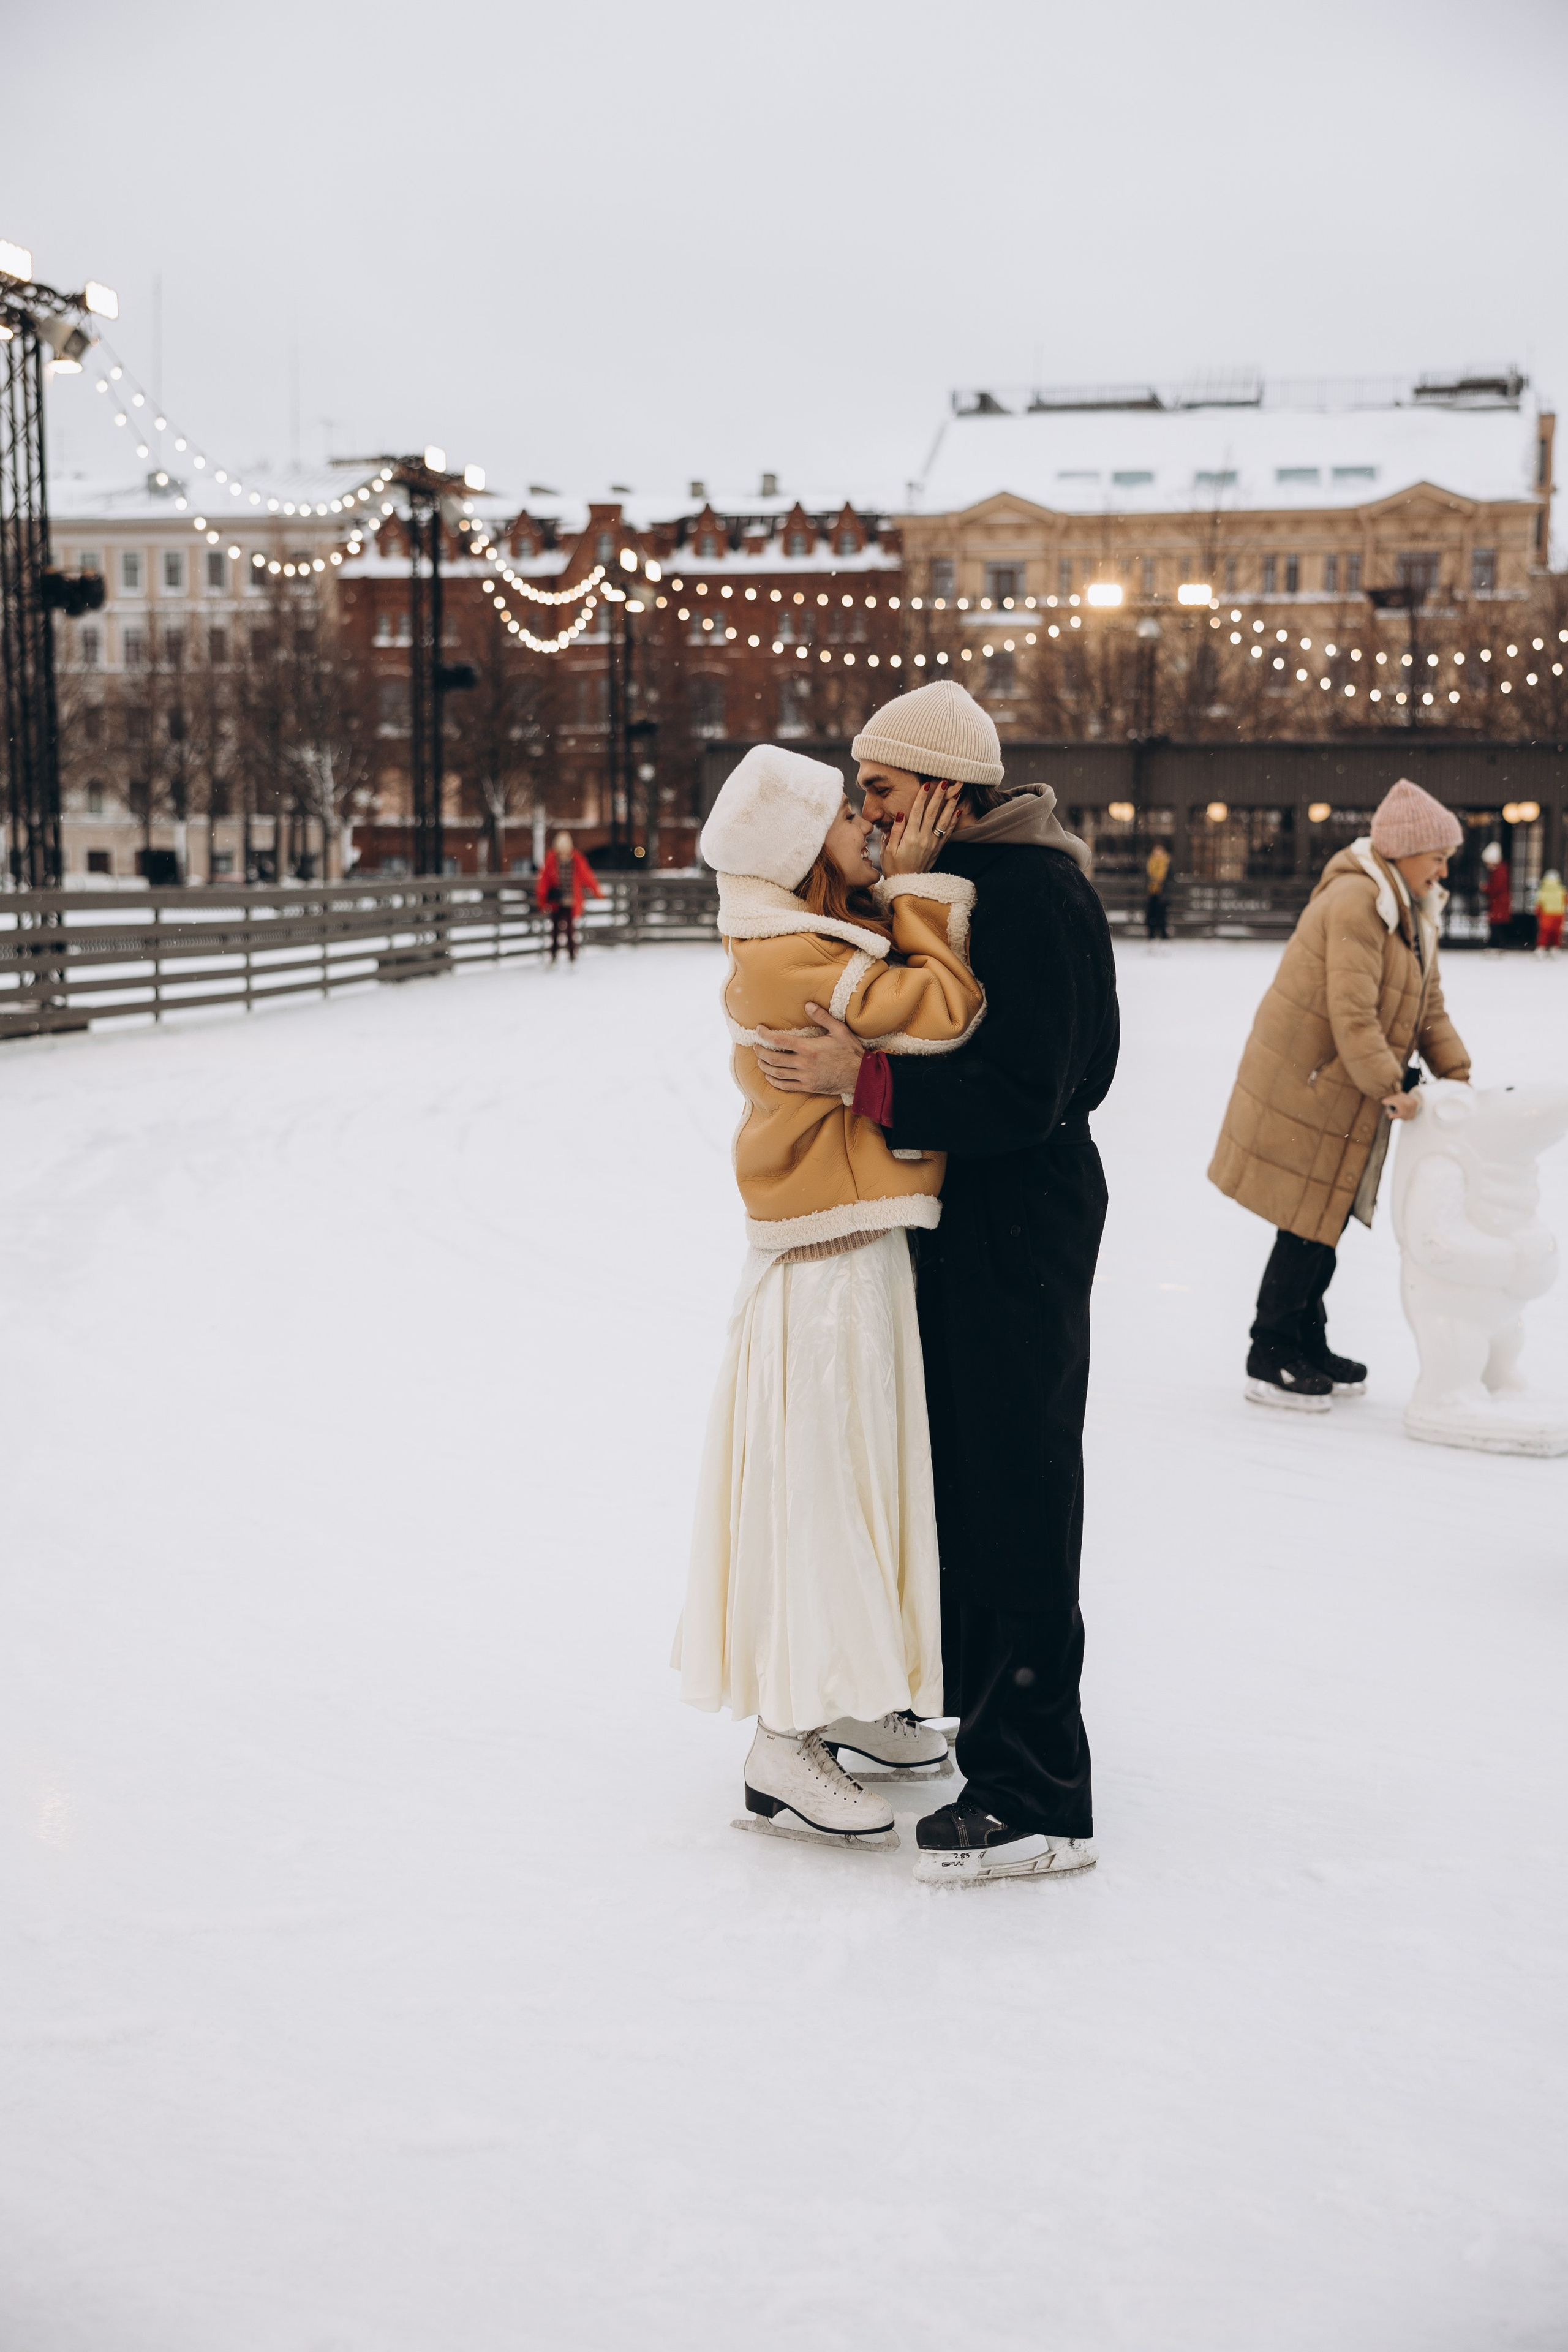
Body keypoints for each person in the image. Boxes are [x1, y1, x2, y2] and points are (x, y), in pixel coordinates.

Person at [753, 682, 1119, 1887]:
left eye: (882, 791)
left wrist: (866, 1085)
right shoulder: (964, 885)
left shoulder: (1027, 888)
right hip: (972, 1224)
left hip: (1020, 1221)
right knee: (965, 1481)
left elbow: (1038, 1087)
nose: (870, 812)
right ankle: (982, 1723)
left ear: (946, 794)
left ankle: (1037, 1792)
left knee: (1017, 1487)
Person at [677, 743, 984, 1847]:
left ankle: (850, 1694)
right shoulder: (798, 957)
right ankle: (783, 1735)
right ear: (806, 850)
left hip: (847, 1241)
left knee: (863, 1477)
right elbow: (947, 1007)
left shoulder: (806, 939)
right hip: (826, 1263)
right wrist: (917, 893)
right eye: (846, 815)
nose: (868, 823)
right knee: (825, 1485)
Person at [1209, 777, 1472, 1411]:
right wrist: (1392, 1087)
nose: (1443, 868)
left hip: (1336, 1086)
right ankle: (1270, 1351)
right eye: (1436, 855)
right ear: (1404, 850)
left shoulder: (1410, 912)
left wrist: (1457, 1076)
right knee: (1307, 1225)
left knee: (1321, 1225)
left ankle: (1305, 1338)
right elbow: (1352, 1016)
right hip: (1309, 1086)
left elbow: (1427, 1006)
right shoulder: (1360, 903)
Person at [536, 830, 602, 963]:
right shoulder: (551, 859)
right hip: (556, 901)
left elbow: (587, 876)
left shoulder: (576, 859)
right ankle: (554, 957)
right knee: (555, 931)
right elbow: (544, 880)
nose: (563, 852)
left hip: (571, 900)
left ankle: (572, 957)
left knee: (570, 930)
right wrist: (542, 898)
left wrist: (596, 891)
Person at [1483, 841, 1512, 949]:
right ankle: (1496, 945)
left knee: (1496, 926)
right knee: (1496, 926)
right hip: (1498, 903)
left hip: (1499, 903)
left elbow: (1496, 888)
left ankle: (1497, 945)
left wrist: (1486, 888)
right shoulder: (1499, 871)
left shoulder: (1499, 872)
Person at [1145, 839, 1172, 940]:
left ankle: (1163, 933)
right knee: (1151, 914)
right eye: (1156, 851)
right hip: (1152, 892)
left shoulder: (1167, 863)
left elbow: (1169, 878)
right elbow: (1147, 876)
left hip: (1162, 893)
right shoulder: (1150, 862)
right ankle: (1151, 933)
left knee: (1162, 915)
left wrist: (1161, 885)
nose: (1158, 853)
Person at [1534, 868, 1565, 956]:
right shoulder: (1561, 890)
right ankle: (1554, 948)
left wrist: (1538, 913)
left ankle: (1541, 948)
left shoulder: (1543, 891)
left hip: (1547, 914)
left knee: (1544, 932)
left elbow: (1539, 904)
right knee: (1556, 933)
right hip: (1559, 914)